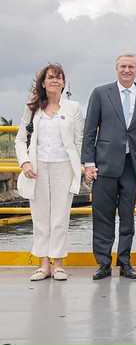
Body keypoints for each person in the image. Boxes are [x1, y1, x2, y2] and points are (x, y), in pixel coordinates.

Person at [82, 53, 136, 280]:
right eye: (123, 66)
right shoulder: (100, 93)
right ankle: (103, 263)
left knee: (128, 217)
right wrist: (88, 162)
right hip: (104, 165)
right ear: (116, 69)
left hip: (132, 166)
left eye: (131, 67)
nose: (127, 70)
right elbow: (89, 130)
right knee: (102, 216)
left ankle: (124, 262)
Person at [15, 64, 84, 281]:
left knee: (60, 218)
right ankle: (44, 264)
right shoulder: (33, 108)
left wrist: (79, 166)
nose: (55, 81)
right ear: (43, 83)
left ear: (63, 83)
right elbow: (20, 139)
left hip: (64, 166)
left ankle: (59, 264)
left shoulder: (73, 107)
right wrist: (25, 163)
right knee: (41, 217)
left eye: (59, 78)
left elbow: (79, 140)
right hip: (37, 168)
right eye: (50, 77)